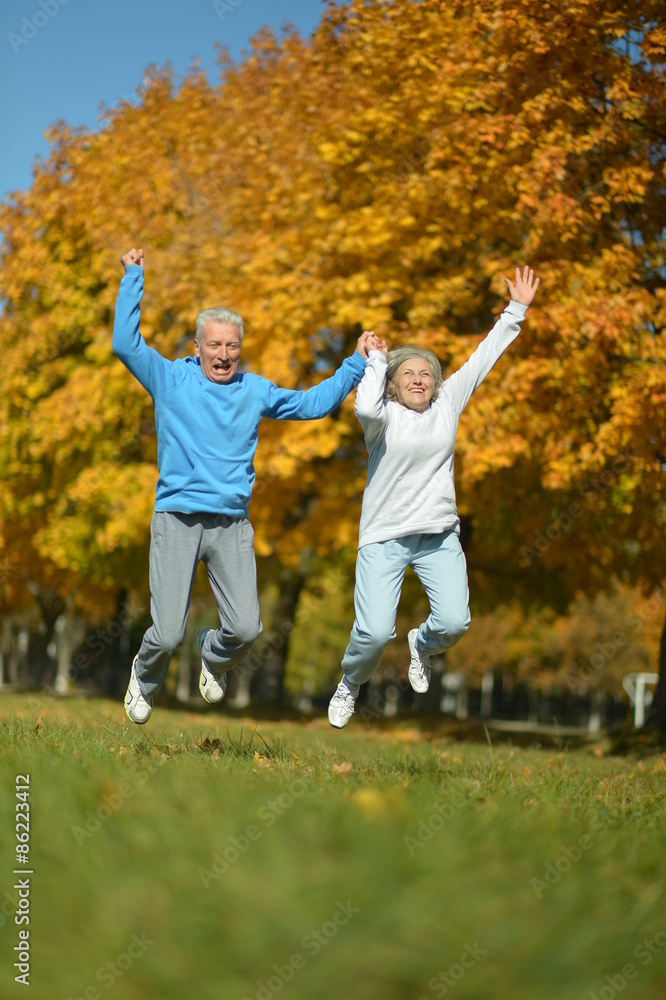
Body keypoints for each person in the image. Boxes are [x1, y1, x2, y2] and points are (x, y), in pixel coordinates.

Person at [113, 247, 375, 724]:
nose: (224, 354)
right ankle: (144, 678)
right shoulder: (171, 380)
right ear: (197, 348)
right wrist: (134, 278)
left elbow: (312, 405)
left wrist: (354, 364)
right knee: (167, 633)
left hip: (231, 523)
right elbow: (126, 346)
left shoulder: (253, 390)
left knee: (247, 629)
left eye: (232, 345)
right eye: (214, 345)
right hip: (177, 517)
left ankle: (212, 657)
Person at [328, 266, 540, 728]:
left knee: (454, 623)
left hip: (438, 535)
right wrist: (376, 361)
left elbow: (483, 357)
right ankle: (350, 682)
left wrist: (516, 309)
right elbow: (364, 403)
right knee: (373, 632)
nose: (419, 379)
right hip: (384, 536)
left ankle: (420, 646)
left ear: (437, 382)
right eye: (408, 373)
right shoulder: (381, 419)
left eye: (427, 373)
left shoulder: (448, 405)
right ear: (394, 382)